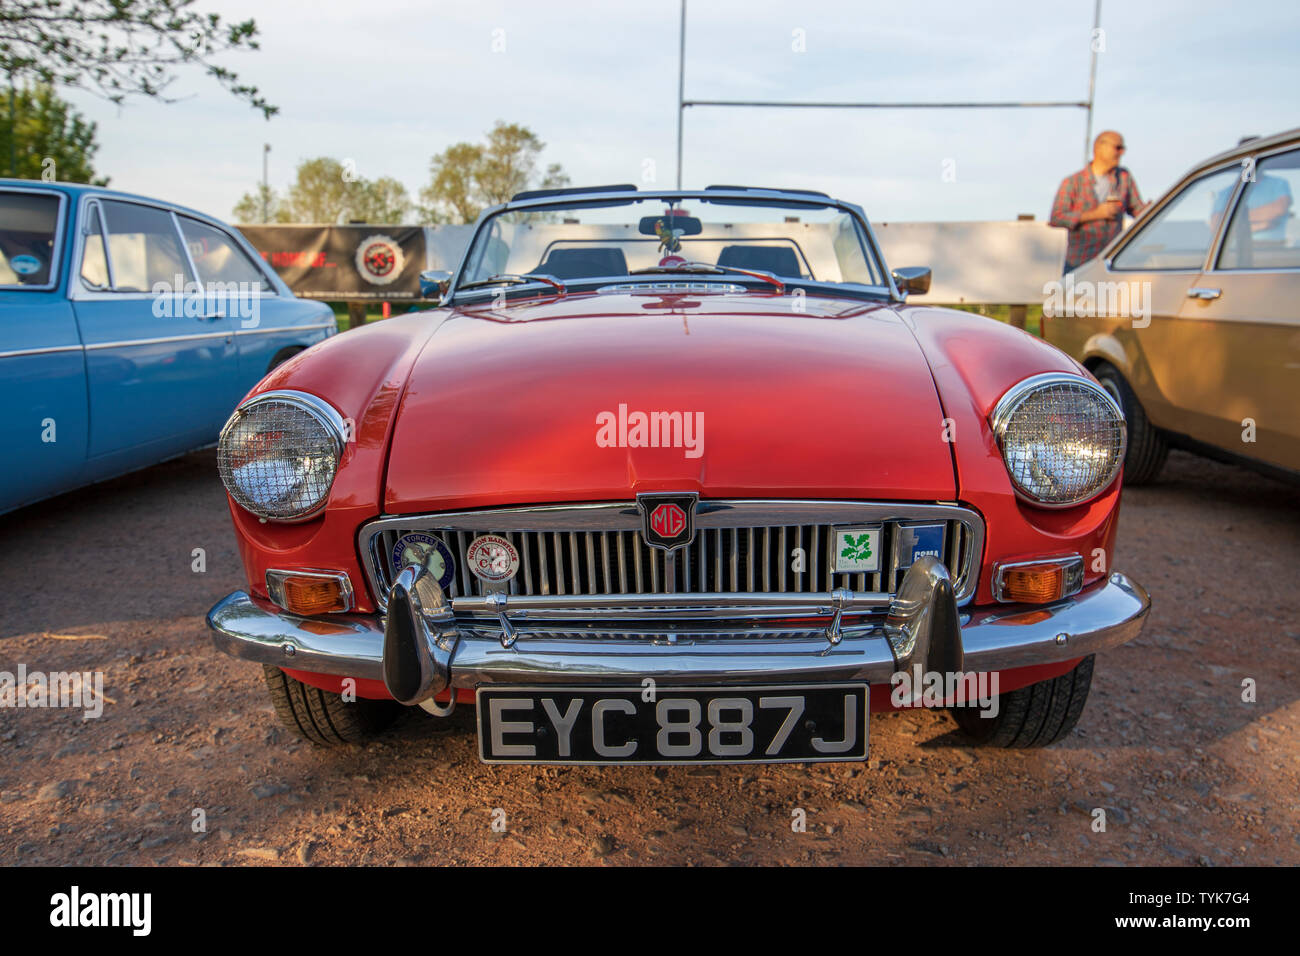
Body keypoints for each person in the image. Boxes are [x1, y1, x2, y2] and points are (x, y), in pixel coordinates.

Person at [1050, 131, 1147, 273]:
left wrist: (1152, 211)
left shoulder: (1124, 177)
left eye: (1122, 149)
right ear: (1099, 148)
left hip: (1110, 265)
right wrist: (1096, 214)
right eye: (1118, 148)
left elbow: (1137, 209)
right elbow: (1057, 218)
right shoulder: (1073, 182)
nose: (1121, 153)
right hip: (1079, 264)